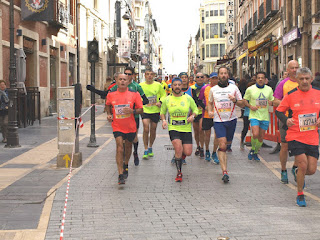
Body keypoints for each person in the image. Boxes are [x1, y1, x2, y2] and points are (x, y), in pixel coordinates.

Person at [275, 67, 320, 207]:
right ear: (297, 80)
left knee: (311, 170)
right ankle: (300, 194)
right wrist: (286, 120)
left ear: (311, 79)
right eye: (302, 79)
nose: (305, 81)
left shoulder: (318, 93)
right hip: (295, 135)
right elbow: (279, 111)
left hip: (312, 136)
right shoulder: (290, 95)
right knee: (302, 164)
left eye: (307, 78)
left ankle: (297, 172)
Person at [105, 73, 143, 184]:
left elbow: (141, 110)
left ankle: (126, 163)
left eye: (124, 79)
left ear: (128, 81)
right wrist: (109, 113)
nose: (122, 81)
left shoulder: (134, 94)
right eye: (120, 79)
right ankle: (120, 174)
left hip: (130, 126)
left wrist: (133, 111)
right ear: (116, 80)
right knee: (119, 147)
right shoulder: (111, 94)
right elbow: (108, 105)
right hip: (117, 125)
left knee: (128, 147)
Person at [208, 66, 244, 183]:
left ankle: (220, 153)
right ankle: (224, 171)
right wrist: (209, 110)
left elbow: (242, 104)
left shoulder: (234, 88)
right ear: (218, 76)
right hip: (218, 121)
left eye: (225, 73)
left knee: (227, 145)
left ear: (228, 75)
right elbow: (210, 102)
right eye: (221, 73)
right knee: (222, 145)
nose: (223, 75)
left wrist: (235, 100)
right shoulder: (213, 90)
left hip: (231, 120)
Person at [160, 78, 198, 182]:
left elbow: (196, 110)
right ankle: (179, 172)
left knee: (188, 152)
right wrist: (163, 120)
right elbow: (162, 112)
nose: (177, 87)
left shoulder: (188, 98)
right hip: (173, 128)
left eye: (179, 85)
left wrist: (193, 116)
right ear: (171, 86)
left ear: (182, 86)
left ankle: (180, 156)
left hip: (186, 128)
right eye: (175, 85)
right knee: (178, 148)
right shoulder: (167, 99)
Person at [273, 60, 299, 184]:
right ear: (287, 70)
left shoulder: (303, 82)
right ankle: (283, 170)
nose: (294, 70)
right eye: (292, 68)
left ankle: (295, 167)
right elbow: (275, 101)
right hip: (286, 119)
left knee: (300, 146)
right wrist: (287, 102)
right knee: (285, 146)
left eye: (297, 67)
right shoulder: (283, 84)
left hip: (300, 121)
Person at [243, 72, 274, 161]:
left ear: (265, 80)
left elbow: (272, 100)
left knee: (261, 137)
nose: (260, 79)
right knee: (255, 134)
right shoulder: (250, 89)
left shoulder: (269, 89)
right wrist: (250, 106)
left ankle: (255, 152)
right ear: (256, 79)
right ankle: (252, 149)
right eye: (259, 78)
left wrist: (271, 103)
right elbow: (245, 100)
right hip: (254, 115)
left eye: (262, 78)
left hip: (264, 116)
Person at [140, 69, 166, 159]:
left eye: (151, 74)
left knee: (153, 129)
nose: (149, 76)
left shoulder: (158, 85)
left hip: (155, 110)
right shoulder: (141, 85)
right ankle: (145, 149)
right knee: (146, 128)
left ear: (154, 76)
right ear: (145, 76)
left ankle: (150, 146)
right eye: (147, 74)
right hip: (145, 109)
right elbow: (137, 95)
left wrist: (161, 102)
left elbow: (164, 95)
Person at [198, 72, 219, 163]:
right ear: (209, 79)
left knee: (218, 135)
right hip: (207, 115)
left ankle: (214, 152)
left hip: (219, 115)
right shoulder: (205, 88)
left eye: (216, 78)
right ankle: (207, 150)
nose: (214, 80)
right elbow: (199, 100)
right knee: (207, 134)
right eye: (213, 78)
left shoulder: (221, 88)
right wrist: (204, 107)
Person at [191, 72, 206, 158]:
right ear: (195, 78)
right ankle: (197, 146)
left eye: (201, 77)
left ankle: (202, 147)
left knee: (201, 129)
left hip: (203, 112)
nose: (200, 78)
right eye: (198, 77)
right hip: (194, 112)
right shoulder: (192, 88)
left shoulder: (206, 87)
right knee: (196, 131)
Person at [240, 81, 256, 149]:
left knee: (255, 130)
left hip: (255, 114)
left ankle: (255, 144)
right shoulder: (247, 94)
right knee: (245, 128)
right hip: (247, 114)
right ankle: (242, 141)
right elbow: (243, 103)